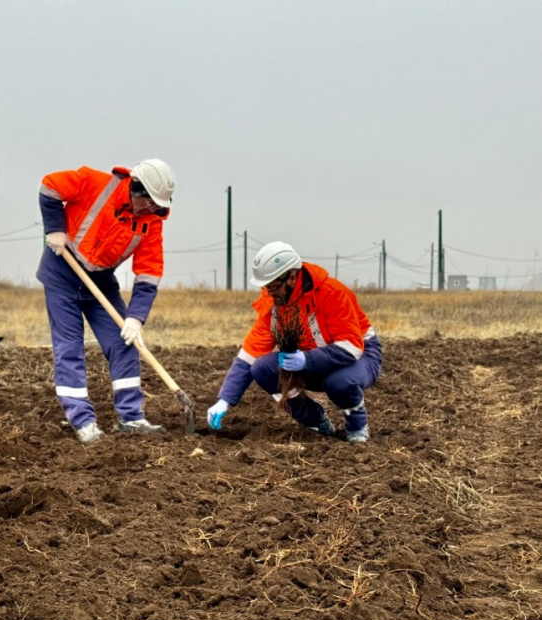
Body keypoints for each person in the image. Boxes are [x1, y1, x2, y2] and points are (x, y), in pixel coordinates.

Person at [38, 159, 175, 444]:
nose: (151, 209)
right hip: (62, 272)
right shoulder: (94, 183)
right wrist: (55, 229)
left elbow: (148, 274)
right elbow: (50, 186)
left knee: (125, 342)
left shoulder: (151, 221)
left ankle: (131, 416)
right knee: (70, 347)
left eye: (156, 205)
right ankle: (82, 420)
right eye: (147, 202)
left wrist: (135, 318)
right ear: (135, 188)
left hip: (100, 281)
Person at [207, 241, 382, 443]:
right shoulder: (275, 302)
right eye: (266, 286)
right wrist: (225, 400)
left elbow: (351, 347)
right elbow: (251, 352)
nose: (268, 292)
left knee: (340, 383)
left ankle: (357, 427)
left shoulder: (333, 293)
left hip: (357, 356)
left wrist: (306, 359)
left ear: (291, 277)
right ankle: (315, 420)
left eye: (272, 286)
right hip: (310, 357)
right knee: (262, 368)